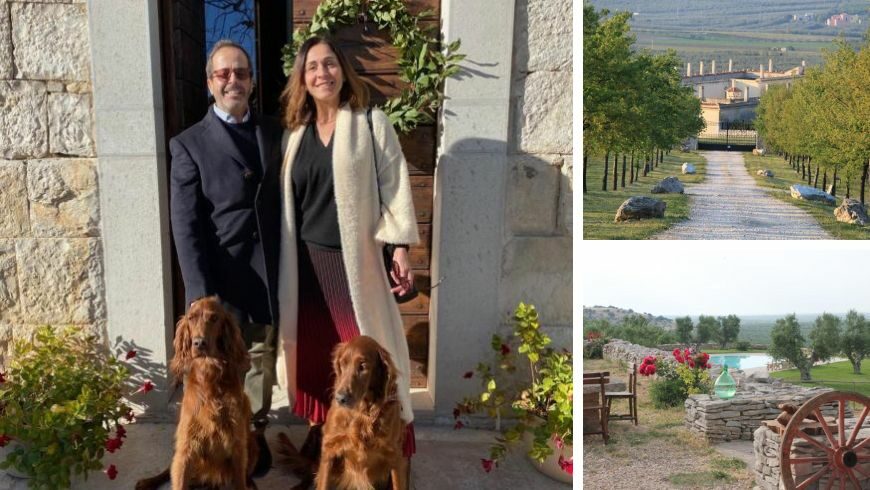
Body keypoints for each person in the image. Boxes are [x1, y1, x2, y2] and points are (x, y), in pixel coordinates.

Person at [276, 36, 419, 467]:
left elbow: (394, 187)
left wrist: (399, 248)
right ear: (302, 78)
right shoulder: (294, 137)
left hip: (351, 265)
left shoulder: (370, 123)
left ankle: (387, 445)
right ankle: (326, 441)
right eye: (313, 67)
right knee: (320, 361)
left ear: (343, 71)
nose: (323, 73)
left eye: (330, 64)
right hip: (304, 266)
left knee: (365, 358)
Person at [169, 39, 282, 468]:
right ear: (209, 83)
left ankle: (252, 435)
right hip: (219, 283)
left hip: (266, 274)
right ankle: (207, 441)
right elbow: (186, 225)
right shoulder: (189, 144)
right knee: (212, 369)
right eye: (223, 73)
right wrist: (200, 294)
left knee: (258, 361)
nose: (232, 80)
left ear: (251, 81)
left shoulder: (275, 131)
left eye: (241, 72)